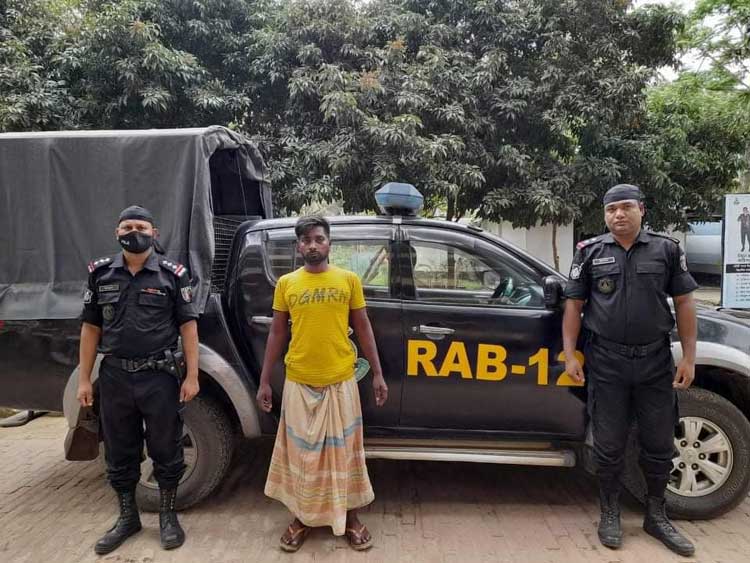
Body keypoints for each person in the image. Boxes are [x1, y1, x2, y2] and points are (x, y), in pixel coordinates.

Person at [562, 184, 698, 557]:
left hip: (655, 361)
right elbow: (574, 306)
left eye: (625, 207)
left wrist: (689, 357)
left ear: (641, 209)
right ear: (604, 215)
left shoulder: (667, 250)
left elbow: (684, 302)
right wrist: (570, 355)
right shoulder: (589, 252)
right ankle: (610, 512)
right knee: (608, 445)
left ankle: (656, 515)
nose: (618, 214)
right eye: (611, 209)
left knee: (659, 443)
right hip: (606, 362)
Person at [256, 216, 388, 552]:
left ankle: (351, 518)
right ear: (298, 246)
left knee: (345, 455)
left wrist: (377, 373)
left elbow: (363, 326)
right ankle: (302, 519)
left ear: (329, 243)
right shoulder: (286, 283)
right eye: (306, 240)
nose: (312, 245)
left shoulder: (348, 280)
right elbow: (277, 332)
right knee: (302, 456)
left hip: (341, 382)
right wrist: (264, 381)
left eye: (319, 239)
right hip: (299, 383)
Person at [77, 205, 200, 554]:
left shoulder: (172, 274)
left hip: (159, 377)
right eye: (127, 226)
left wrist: (192, 376)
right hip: (115, 376)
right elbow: (90, 328)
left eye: (141, 227)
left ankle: (167, 516)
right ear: (117, 233)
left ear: (154, 233)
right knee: (119, 451)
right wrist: (84, 379)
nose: (135, 232)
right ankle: (127, 518)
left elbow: (188, 327)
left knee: (166, 448)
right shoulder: (100, 273)